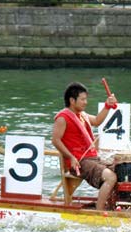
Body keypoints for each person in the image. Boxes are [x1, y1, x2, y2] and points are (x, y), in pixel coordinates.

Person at [51, 80, 118, 211]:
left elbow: (98, 121)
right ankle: (99, 211)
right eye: (82, 99)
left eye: (85, 99)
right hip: (78, 162)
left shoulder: (83, 115)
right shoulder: (62, 118)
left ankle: (111, 205)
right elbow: (55, 140)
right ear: (72, 100)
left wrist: (108, 106)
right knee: (111, 177)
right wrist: (71, 157)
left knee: (120, 170)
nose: (85, 102)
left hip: (92, 159)